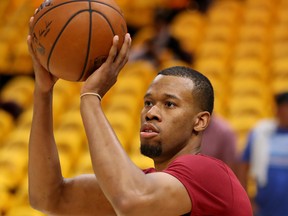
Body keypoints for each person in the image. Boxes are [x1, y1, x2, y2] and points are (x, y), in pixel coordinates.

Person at [27, 17, 252, 216]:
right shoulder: (146, 184)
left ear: (200, 121)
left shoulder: (209, 174)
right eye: (148, 103)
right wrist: (43, 91)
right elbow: (48, 198)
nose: (151, 113)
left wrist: (90, 97)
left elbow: (130, 201)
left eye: (169, 104)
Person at [239, 91, 288, 216]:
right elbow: (243, 167)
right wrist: (248, 200)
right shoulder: (260, 134)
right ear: (277, 110)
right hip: (265, 206)